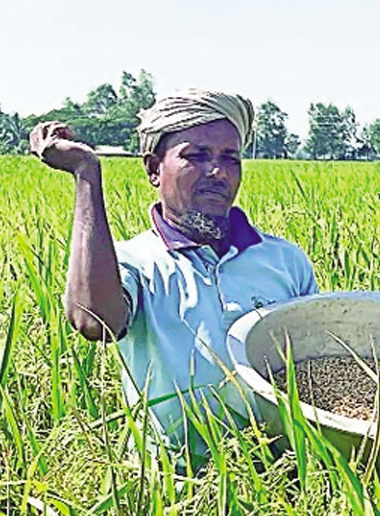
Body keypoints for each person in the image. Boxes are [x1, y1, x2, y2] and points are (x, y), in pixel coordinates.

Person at [29, 89, 318, 457]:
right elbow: (93, 322)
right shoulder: (134, 263)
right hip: (175, 491)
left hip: (280, 477)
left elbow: (312, 369)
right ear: (153, 168)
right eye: (195, 156)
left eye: (231, 158)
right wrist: (87, 174)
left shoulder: (285, 261)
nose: (217, 172)